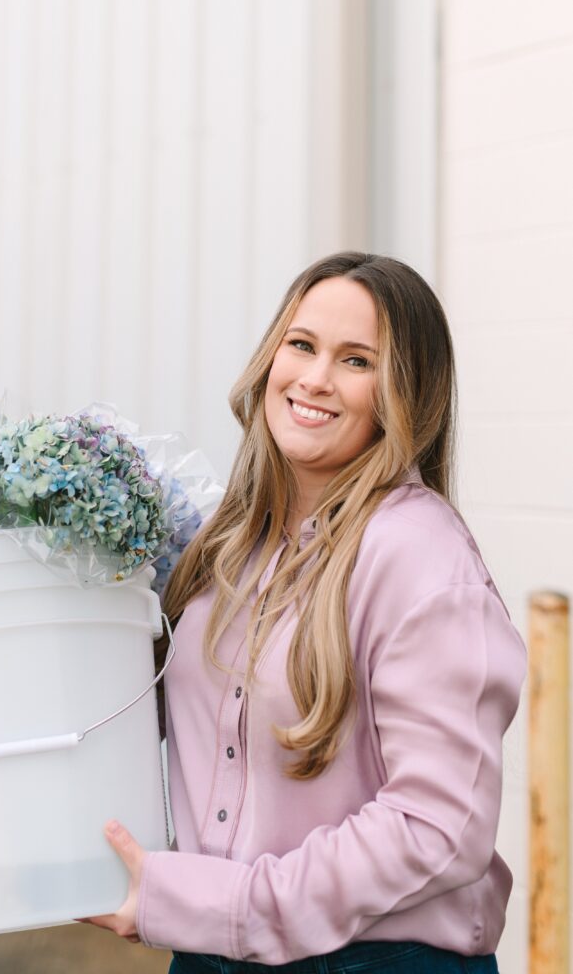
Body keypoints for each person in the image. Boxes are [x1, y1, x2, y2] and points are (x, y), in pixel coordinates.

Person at [84, 252, 527, 973]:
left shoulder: (419, 559)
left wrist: (227, 907)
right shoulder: (224, 546)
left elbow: (437, 826)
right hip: (211, 957)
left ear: (403, 394)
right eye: (301, 345)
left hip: (373, 963)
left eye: (356, 361)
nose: (315, 379)